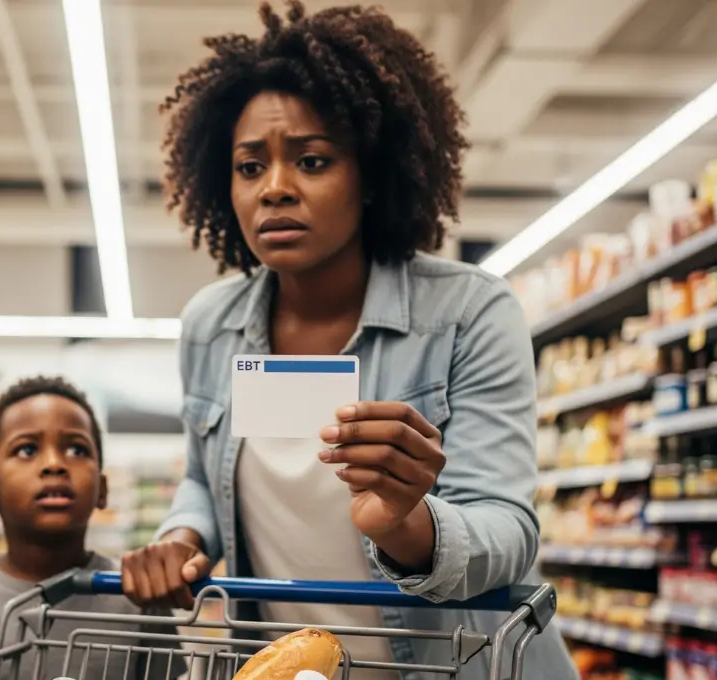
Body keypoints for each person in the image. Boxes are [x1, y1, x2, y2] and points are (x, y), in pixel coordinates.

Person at [118, 3, 577, 679]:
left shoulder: (468, 314)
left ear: (370, 174)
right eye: (250, 167)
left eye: (311, 160)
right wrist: (181, 538)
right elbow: (200, 477)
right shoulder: (211, 323)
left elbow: (508, 531)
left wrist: (404, 521)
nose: (275, 188)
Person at [0, 376, 186, 680]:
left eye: (76, 450)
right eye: (26, 450)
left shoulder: (137, 597)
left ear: (102, 490)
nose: (54, 464)